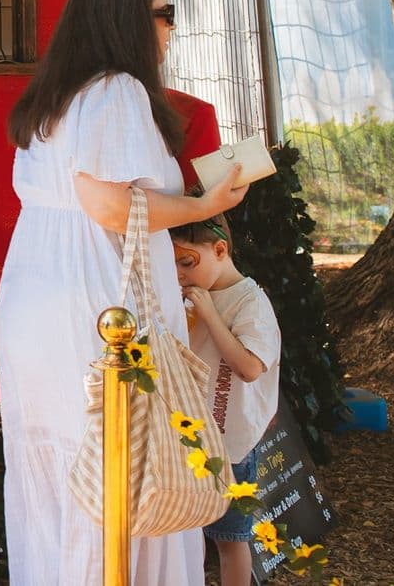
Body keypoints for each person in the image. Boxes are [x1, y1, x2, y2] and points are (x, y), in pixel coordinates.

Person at [0, 0, 250, 586]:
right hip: (94, 296)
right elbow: (108, 204)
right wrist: (202, 205)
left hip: (36, 293)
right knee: (121, 461)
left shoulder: (57, 95)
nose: (170, 29)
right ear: (127, 22)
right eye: (164, 15)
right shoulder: (118, 91)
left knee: (58, 467)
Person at [172, 216, 281, 586]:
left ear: (220, 250)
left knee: (230, 539)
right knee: (187, 534)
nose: (179, 274)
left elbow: (250, 367)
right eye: (171, 264)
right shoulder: (189, 294)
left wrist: (209, 314)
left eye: (187, 263)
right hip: (190, 438)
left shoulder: (250, 301)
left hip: (230, 444)